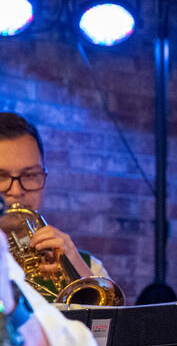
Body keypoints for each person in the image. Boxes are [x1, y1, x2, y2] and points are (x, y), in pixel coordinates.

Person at [0, 113, 113, 295]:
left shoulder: (89, 267)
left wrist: (77, 269)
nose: (16, 191)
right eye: (1, 176)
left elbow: (109, 322)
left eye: (30, 175)